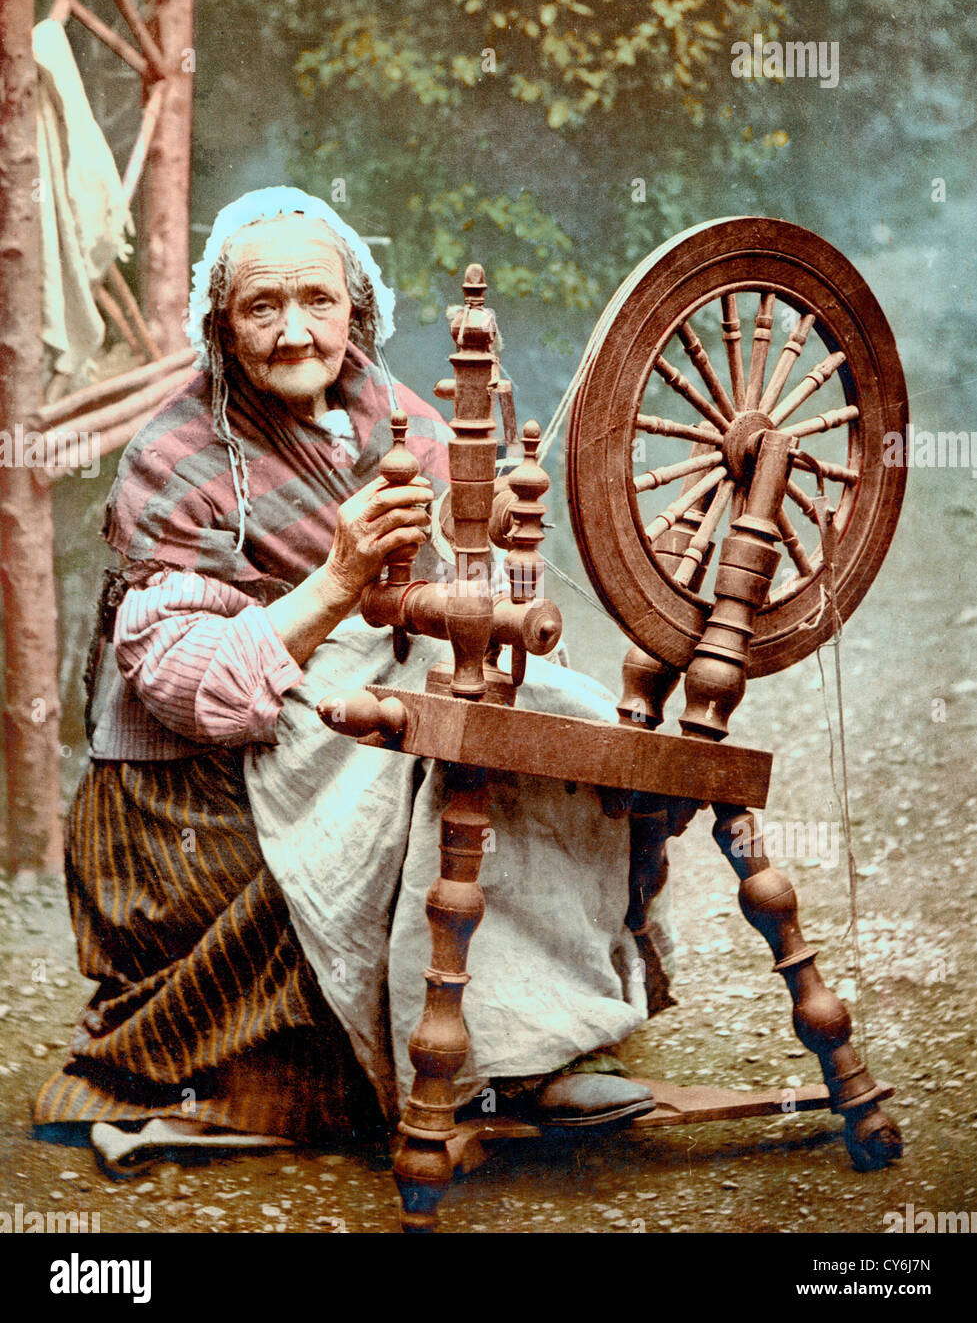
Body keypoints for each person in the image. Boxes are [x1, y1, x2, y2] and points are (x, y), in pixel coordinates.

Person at [35, 188, 670, 1170]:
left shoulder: (384, 405)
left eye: (317, 302)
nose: (296, 333)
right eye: (262, 308)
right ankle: (483, 1061)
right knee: (423, 762)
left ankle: (545, 1029)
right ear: (222, 329)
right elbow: (178, 683)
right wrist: (336, 579)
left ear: (356, 311)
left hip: (334, 695)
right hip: (189, 785)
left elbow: (448, 574)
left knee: (548, 715)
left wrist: (484, 524)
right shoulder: (174, 455)